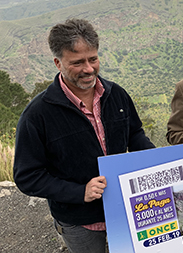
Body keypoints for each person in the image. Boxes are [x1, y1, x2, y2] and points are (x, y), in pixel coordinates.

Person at [13, 18, 155, 253]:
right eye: (77, 62)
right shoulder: (38, 114)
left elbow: (135, 135)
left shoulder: (116, 94)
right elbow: (27, 176)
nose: (88, 69)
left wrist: (159, 162)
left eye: (93, 59)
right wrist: (80, 192)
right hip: (80, 223)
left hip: (127, 209)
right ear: (58, 63)